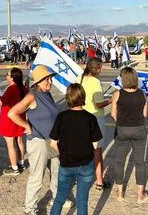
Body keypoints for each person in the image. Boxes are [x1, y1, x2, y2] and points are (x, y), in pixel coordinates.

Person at [9, 65, 72, 215]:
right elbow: (12, 113)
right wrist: (27, 126)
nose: (50, 82)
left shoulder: (47, 94)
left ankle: (57, 198)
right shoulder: (32, 96)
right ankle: (30, 209)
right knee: (37, 177)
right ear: (37, 82)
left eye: (50, 78)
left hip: (53, 140)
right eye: (46, 79)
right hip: (38, 142)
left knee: (57, 172)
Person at [50, 83, 102, 215]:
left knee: (60, 198)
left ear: (68, 97)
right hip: (85, 164)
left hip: (66, 164)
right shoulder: (91, 118)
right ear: (83, 96)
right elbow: (95, 146)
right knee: (82, 200)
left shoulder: (61, 117)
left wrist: (63, 154)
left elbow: (53, 143)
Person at [111, 67, 148, 204]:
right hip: (139, 129)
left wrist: (121, 122)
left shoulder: (117, 94)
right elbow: (145, 115)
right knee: (140, 162)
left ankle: (120, 193)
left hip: (122, 130)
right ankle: (140, 195)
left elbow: (113, 114)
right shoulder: (142, 93)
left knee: (119, 161)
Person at [77, 57, 112, 191]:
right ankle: (99, 181)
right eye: (100, 67)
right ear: (95, 68)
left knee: (83, 149)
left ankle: (82, 178)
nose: (101, 69)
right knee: (97, 151)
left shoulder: (80, 77)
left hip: (81, 117)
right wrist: (110, 101)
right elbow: (98, 104)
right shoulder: (96, 82)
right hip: (95, 118)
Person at [0, 67, 28, 176]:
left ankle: (14, 168)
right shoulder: (23, 88)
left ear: (12, 78)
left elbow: (2, 102)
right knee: (19, 142)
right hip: (20, 118)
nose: (6, 76)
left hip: (10, 119)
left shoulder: (12, 88)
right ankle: (21, 163)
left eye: (8, 75)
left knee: (10, 144)